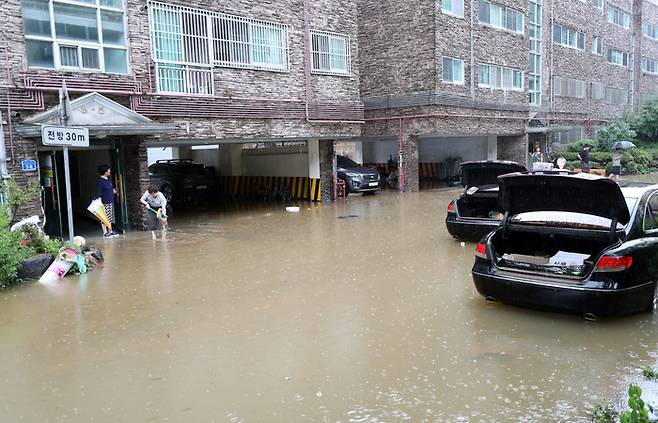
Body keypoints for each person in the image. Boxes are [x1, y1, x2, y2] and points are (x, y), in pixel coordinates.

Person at [95, 165, 118, 238]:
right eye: (109, 170)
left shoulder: (108, 180)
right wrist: (100, 204)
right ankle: (105, 233)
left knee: (109, 217)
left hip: (109, 201)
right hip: (104, 202)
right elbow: (99, 193)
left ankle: (110, 231)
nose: (110, 171)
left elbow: (109, 190)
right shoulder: (100, 181)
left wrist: (114, 191)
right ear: (105, 172)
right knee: (104, 217)